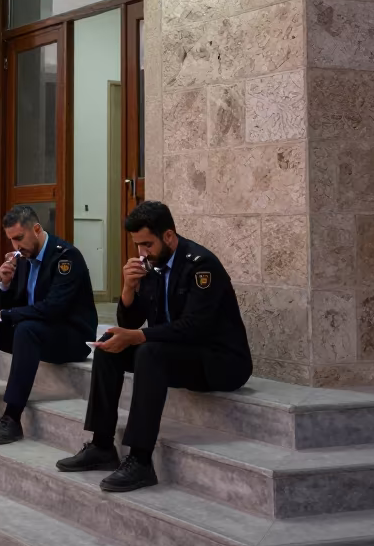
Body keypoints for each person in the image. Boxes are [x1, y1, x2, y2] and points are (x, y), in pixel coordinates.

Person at [57, 200, 253, 492]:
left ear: (169, 236)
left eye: (147, 244)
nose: (142, 252)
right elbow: (132, 321)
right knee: (109, 345)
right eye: (137, 245)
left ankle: (140, 460)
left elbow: (194, 327)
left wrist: (138, 337)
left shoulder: (201, 265)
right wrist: (127, 290)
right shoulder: (153, 266)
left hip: (221, 361)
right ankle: (101, 445)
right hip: (181, 354)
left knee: (149, 352)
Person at [0, 205, 96, 446]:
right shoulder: (23, 258)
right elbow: (13, 305)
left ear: (36, 229)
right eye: (11, 240)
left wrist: (4, 313)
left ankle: (12, 417)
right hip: (38, 330)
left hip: (71, 336)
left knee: (25, 330)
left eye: (18, 238)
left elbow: (53, 308)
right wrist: (5, 284)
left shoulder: (66, 257)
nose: (15, 246)